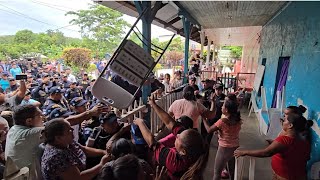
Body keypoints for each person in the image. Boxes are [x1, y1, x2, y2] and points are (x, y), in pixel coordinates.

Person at [5, 104, 109, 179]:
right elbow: (63, 124)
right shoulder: (29, 135)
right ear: (29, 121)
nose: (43, 118)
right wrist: (90, 113)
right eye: (39, 115)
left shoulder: (14, 129)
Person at [134, 94, 208, 180]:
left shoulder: (174, 161)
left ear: (183, 151)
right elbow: (170, 123)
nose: (177, 135)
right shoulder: (195, 150)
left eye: (178, 138)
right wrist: (154, 105)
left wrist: (140, 122)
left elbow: (152, 143)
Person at [234, 113, 313, 180]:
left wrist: (244, 152)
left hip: (285, 177)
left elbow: (266, 153)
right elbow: (303, 156)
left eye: (284, 120)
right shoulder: (305, 141)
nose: (282, 122)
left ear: (290, 125)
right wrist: (274, 142)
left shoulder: (284, 140)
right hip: (299, 175)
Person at [41, 118, 111, 179]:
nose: (72, 130)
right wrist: (101, 164)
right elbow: (79, 178)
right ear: (58, 138)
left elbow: (84, 150)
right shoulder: (56, 157)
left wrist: (103, 152)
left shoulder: (66, 141)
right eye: (69, 130)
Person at [203, 94, 242, 180]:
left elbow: (209, 130)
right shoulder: (237, 119)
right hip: (234, 147)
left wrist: (204, 119)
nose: (221, 107)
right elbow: (229, 131)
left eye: (223, 106)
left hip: (224, 148)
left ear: (227, 110)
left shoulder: (222, 121)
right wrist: (220, 130)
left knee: (217, 173)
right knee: (231, 171)